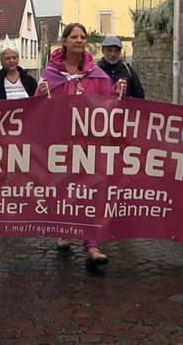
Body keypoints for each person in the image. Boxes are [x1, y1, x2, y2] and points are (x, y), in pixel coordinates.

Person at [36, 22, 125, 268]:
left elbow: (109, 104)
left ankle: (92, 245)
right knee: (63, 187)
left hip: (90, 142)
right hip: (62, 142)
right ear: (65, 41)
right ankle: (64, 228)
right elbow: (37, 107)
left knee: (92, 190)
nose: (79, 40)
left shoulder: (96, 74)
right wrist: (41, 93)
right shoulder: (51, 74)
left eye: (83, 37)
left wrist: (118, 92)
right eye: (74, 36)